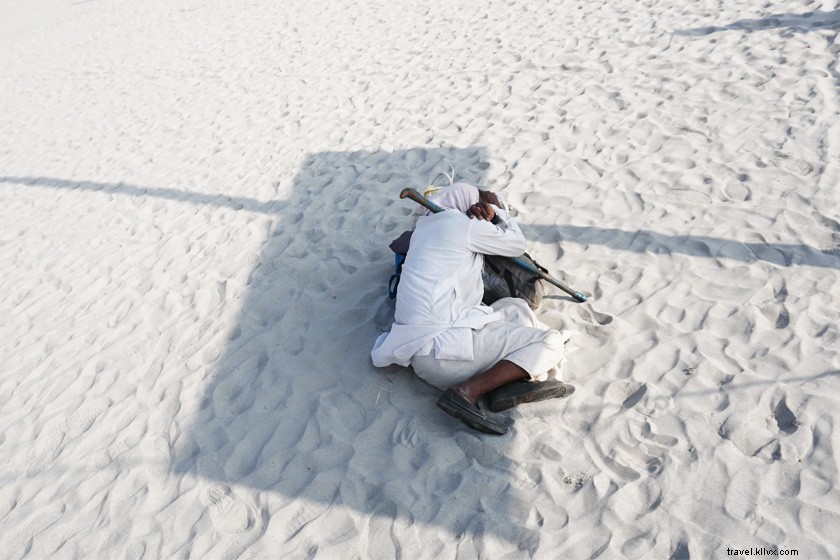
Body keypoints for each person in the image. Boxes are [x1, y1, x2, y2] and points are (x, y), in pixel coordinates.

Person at [371, 182, 573, 435]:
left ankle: (508, 384)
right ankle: (468, 392)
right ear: (469, 207)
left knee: (516, 308)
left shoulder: (423, 230)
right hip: (444, 355)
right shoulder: (462, 225)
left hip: (422, 350)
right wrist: (499, 214)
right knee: (551, 342)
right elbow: (516, 245)